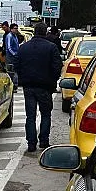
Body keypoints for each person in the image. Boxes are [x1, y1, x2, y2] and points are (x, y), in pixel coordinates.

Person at [16, 23, 62, 152]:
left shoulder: (23, 48)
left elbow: (16, 65)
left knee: (30, 116)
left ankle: (31, 143)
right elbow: (57, 66)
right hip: (45, 87)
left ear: (35, 32)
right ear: (44, 32)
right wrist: (53, 80)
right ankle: (44, 141)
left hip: (28, 86)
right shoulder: (51, 47)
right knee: (46, 114)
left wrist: (23, 78)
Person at [4, 23, 20, 91]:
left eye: (17, 28)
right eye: (15, 28)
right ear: (11, 29)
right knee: (10, 71)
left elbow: (17, 46)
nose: (16, 30)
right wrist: (14, 54)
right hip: (10, 57)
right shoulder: (9, 36)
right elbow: (9, 48)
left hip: (15, 57)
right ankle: (11, 86)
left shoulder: (15, 36)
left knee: (15, 71)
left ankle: (15, 85)